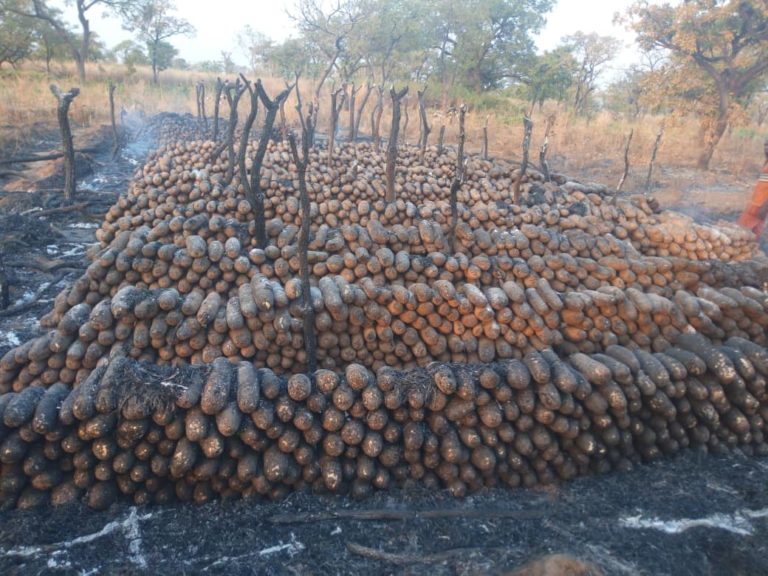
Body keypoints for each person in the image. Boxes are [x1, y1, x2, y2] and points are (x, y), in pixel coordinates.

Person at [737, 139, 768, 237]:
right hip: (754, 203)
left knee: (748, 234)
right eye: (765, 145)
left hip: (761, 205)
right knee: (743, 232)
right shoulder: (766, 162)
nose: (766, 148)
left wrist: (765, 206)